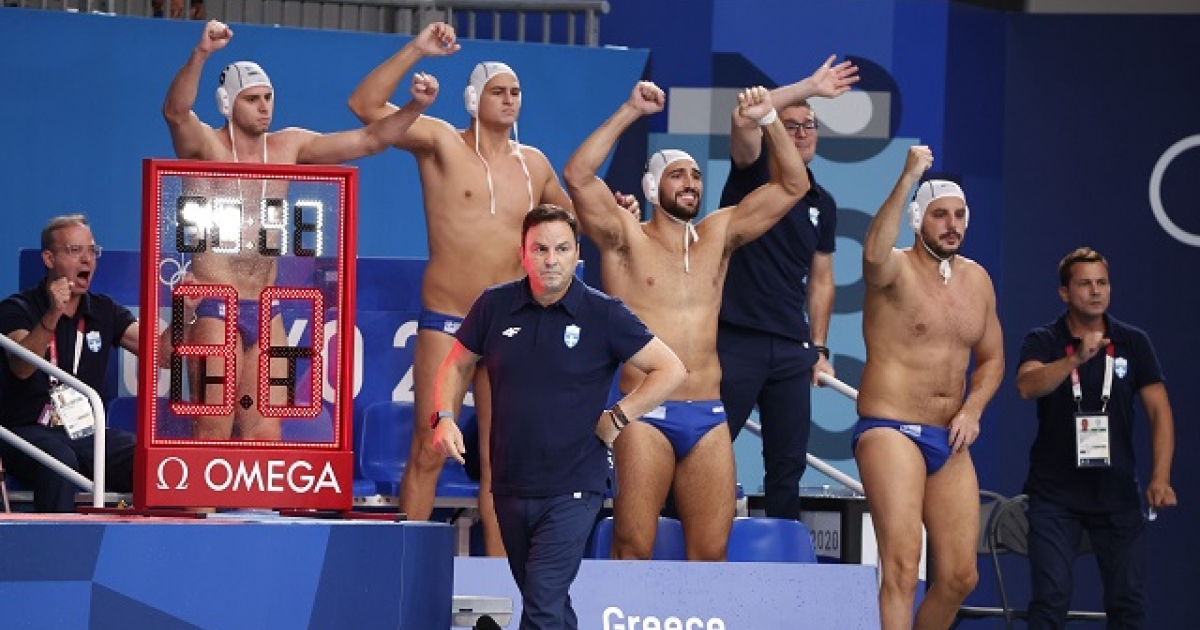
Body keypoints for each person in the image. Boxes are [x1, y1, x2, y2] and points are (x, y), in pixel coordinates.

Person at [347, 22, 576, 555]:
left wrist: (616, 209)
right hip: (448, 321)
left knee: (502, 462)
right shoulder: (440, 142)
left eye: (515, 91)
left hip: (510, 326)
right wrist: (417, 50)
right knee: (430, 446)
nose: (510, 99)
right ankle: (403, 570)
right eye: (498, 91)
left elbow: (575, 223)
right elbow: (364, 105)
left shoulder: (534, 165)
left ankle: (501, 579)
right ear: (473, 99)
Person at [563, 81, 809, 560]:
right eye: (677, 175)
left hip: (709, 414)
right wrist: (630, 109)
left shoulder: (720, 234)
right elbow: (577, 174)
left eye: (696, 175)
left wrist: (768, 119)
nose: (691, 183)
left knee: (711, 552)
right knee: (633, 545)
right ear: (652, 187)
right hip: (646, 413)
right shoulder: (625, 237)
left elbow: (792, 186)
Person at [162, 19, 434, 441]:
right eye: (252, 99)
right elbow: (175, 113)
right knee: (213, 426)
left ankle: (255, 490)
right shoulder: (205, 147)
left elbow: (369, 140)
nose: (264, 107)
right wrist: (201, 54)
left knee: (266, 431)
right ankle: (203, 490)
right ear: (226, 103)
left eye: (268, 97)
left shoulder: (287, 146)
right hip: (215, 303)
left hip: (266, 306)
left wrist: (414, 107)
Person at [431, 204, 686, 630]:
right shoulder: (494, 305)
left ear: (577, 253)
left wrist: (618, 417)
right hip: (510, 485)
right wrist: (443, 416)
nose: (551, 259)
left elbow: (670, 369)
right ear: (523, 253)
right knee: (545, 602)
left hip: (575, 485)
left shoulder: (604, 313)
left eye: (562, 249)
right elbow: (456, 364)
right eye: (540, 249)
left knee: (543, 600)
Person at [854, 145, 1004, 630]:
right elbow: (872, 255)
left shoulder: (978, 281)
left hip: (949, 437)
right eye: (940, 215)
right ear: (918, 220)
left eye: (959, 215)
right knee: (902, 568)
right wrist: (907, 178)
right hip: (891, 429)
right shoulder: (895, 270)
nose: (952, 224)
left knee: (961, 576)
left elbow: (992, 359)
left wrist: (973, 408)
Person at [717, 56, 858, 520]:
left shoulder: (823, 202)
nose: (801, 133)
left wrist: (819, 347)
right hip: (735, 338)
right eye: (790, 124)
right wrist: (809, 87)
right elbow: (744, 115)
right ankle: (682, 549)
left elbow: (821, 279)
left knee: (787, 468)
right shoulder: (752, 174)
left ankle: (781, 561)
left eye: (809, 125)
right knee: (707, 450)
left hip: (791, 348)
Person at [1015, 247, 1177, 629]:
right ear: (1064, 293)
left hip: (1117, 495)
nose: (1095, 291)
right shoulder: (1044, 339)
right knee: (1049, 602)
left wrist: (1160, 478)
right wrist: (1074, 360)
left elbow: (1160, 412)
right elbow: (1027, 386)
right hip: (1055, 496)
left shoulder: (1133, 342)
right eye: (1085, 284)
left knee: (1127, 606)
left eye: (1102, 282)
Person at [0, 215, 140, 513]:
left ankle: (148, 540)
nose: (87, 259)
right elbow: (22, 367)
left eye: (92, 250)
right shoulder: (17, 308)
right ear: (49, 259)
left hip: (84, 432)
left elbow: (160, 352)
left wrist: (185, 313)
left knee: (145, 458)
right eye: (75, 251)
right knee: (60, 462)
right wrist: (53, 313)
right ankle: (57, 542)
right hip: (26, 431)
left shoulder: (104, 310)